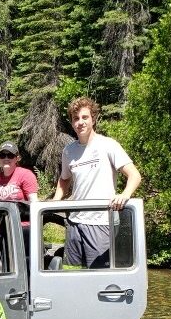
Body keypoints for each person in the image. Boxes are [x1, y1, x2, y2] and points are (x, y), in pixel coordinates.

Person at [53, 96, 142, 268]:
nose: (80, 122)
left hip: (100, 223)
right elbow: (64, 180)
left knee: (99, 276)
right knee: (71, 273)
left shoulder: (108, 145)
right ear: (72, 123)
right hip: (74, 222)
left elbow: (134, 175)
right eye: (76, 119)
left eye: (85, 117)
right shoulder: (68, 151)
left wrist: (124, 195)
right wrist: (56, 200)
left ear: (93, 119)